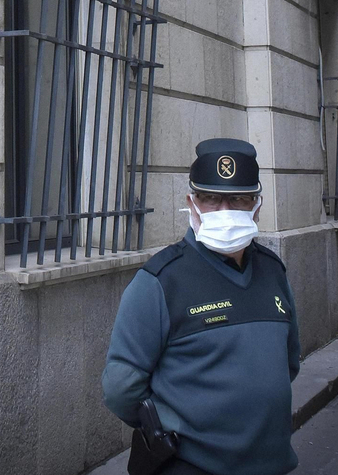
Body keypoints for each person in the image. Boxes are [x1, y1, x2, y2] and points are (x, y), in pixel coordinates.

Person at [102, 138, 301, 475]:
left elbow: (288, 362)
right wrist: (173, 422)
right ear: (191, 204)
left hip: (272, 464)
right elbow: (121, 388)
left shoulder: (272, 271)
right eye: (210, 199)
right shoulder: (160, 281)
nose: (225, 212)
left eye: (238, 199)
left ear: (257, 204)